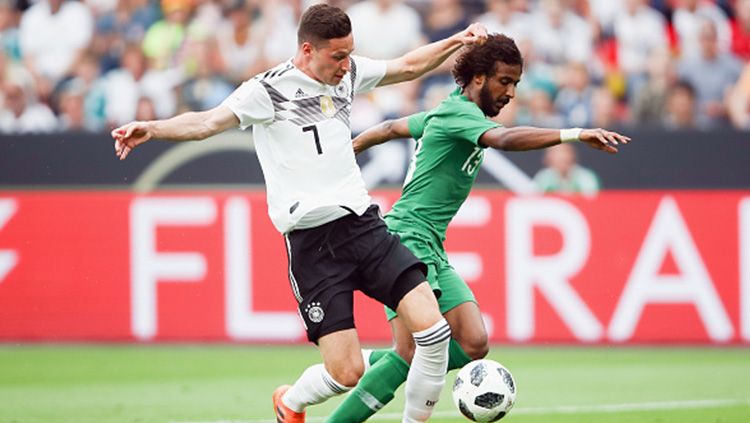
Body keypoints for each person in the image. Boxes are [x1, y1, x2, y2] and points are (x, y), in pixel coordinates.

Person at [110, 4, 489, 422]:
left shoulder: (346, 75)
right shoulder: (267, 90)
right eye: (338, 57)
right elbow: (206, 122)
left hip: (364, 226)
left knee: (433, 333)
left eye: (350, 54)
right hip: (313, 245)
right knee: (347, 372)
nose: (346, 66)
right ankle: (290, 401)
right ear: (308, 50)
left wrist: (458, 41)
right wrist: (154, 127)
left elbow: (406, 66)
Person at [324, 33, 630, 422]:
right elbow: (503, 139)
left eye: (517, 83)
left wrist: (349, 151)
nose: (511, 93)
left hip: (431, 242)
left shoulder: (448, 112)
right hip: (405, 237)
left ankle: (378, 363)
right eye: (505, 81)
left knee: (473, 342)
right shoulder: (461, 115)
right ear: (480, 78)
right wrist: (574, 133)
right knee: (412, 352)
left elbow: (389, 128)